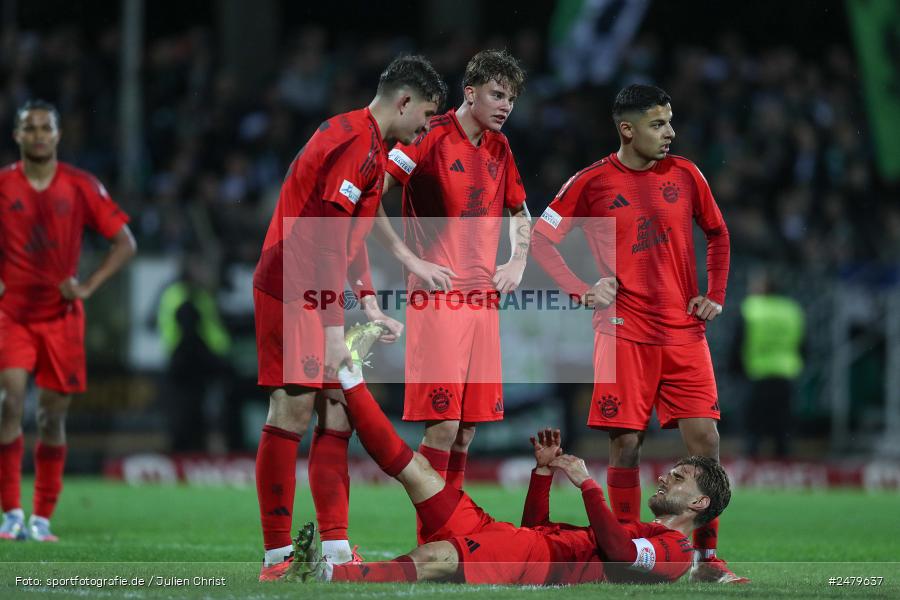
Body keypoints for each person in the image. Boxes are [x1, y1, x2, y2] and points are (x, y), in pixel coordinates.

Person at [282, 326, 730, 585]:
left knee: (435, 558)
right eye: (674, 472)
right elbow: (538, 527)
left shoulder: (673, 552)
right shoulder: (649, 530)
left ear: (699, 504)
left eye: (680, 478)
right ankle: (348, 377)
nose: (666, 479)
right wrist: (541, 474)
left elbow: (615, 552)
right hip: (517, 537)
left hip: (529, 560)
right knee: (415, 472)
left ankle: (328, 576)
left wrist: (588, 485)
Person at [531, 84, 744, 583]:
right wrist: (583, 289)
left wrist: (716, 293)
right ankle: (627, 554)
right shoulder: (592, 181)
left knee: (705, 443)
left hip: (683, 333)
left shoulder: (688, 175)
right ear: (627, 129)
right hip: (622, 331)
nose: (669, 133)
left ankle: (706, 559)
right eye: (657, 124)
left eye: (670, 122)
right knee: (626, 446)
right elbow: (541, 239)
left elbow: (718, 233)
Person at [251, 55, 446, 580]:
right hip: (292, 285)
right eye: (425, 115)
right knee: (290, 411)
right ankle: (277, 557)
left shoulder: (366, 140)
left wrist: (370, 303)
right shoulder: (356, 143)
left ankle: (336, 551)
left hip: (317, 288)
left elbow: (352, 233)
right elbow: (328, 246)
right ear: (403, 101)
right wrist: (337, 333)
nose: (427, 127)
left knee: (337, 412)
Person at [374, 50, 530, 518]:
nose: (505, 106)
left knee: (467, 430)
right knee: (443, 425)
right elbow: (371, 194)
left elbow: (521, 212)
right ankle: (433, 534)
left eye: (512, 99)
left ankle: (453, 526)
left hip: (483, 303)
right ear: (470, 92)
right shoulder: (431, 136)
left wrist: (517, 261)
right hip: (438, 300)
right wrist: (408, 259)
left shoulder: (501, 148)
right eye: (497, 95)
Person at [0, 100, 137, 542]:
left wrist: (88, 285)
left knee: (50, 420)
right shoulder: (3, 185)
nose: (38, 134)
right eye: (30, 128)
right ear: (17, 135)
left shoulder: (79, 186)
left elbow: (124, 243)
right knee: (10, 402)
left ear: (57, 135)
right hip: (13, 315)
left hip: (62, 319)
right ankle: (11, 515)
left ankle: (41, 519)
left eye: (45, 127)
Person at [732, 268, 805, 458]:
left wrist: (735, 370)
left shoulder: (751, 309)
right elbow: (803, 345)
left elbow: (738, 343)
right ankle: (785, 473)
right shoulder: (791, 310)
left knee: (753, 431)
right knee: (783, 431)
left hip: (757, 375)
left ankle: (752, 471)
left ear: (763, 288)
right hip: (785, 375)